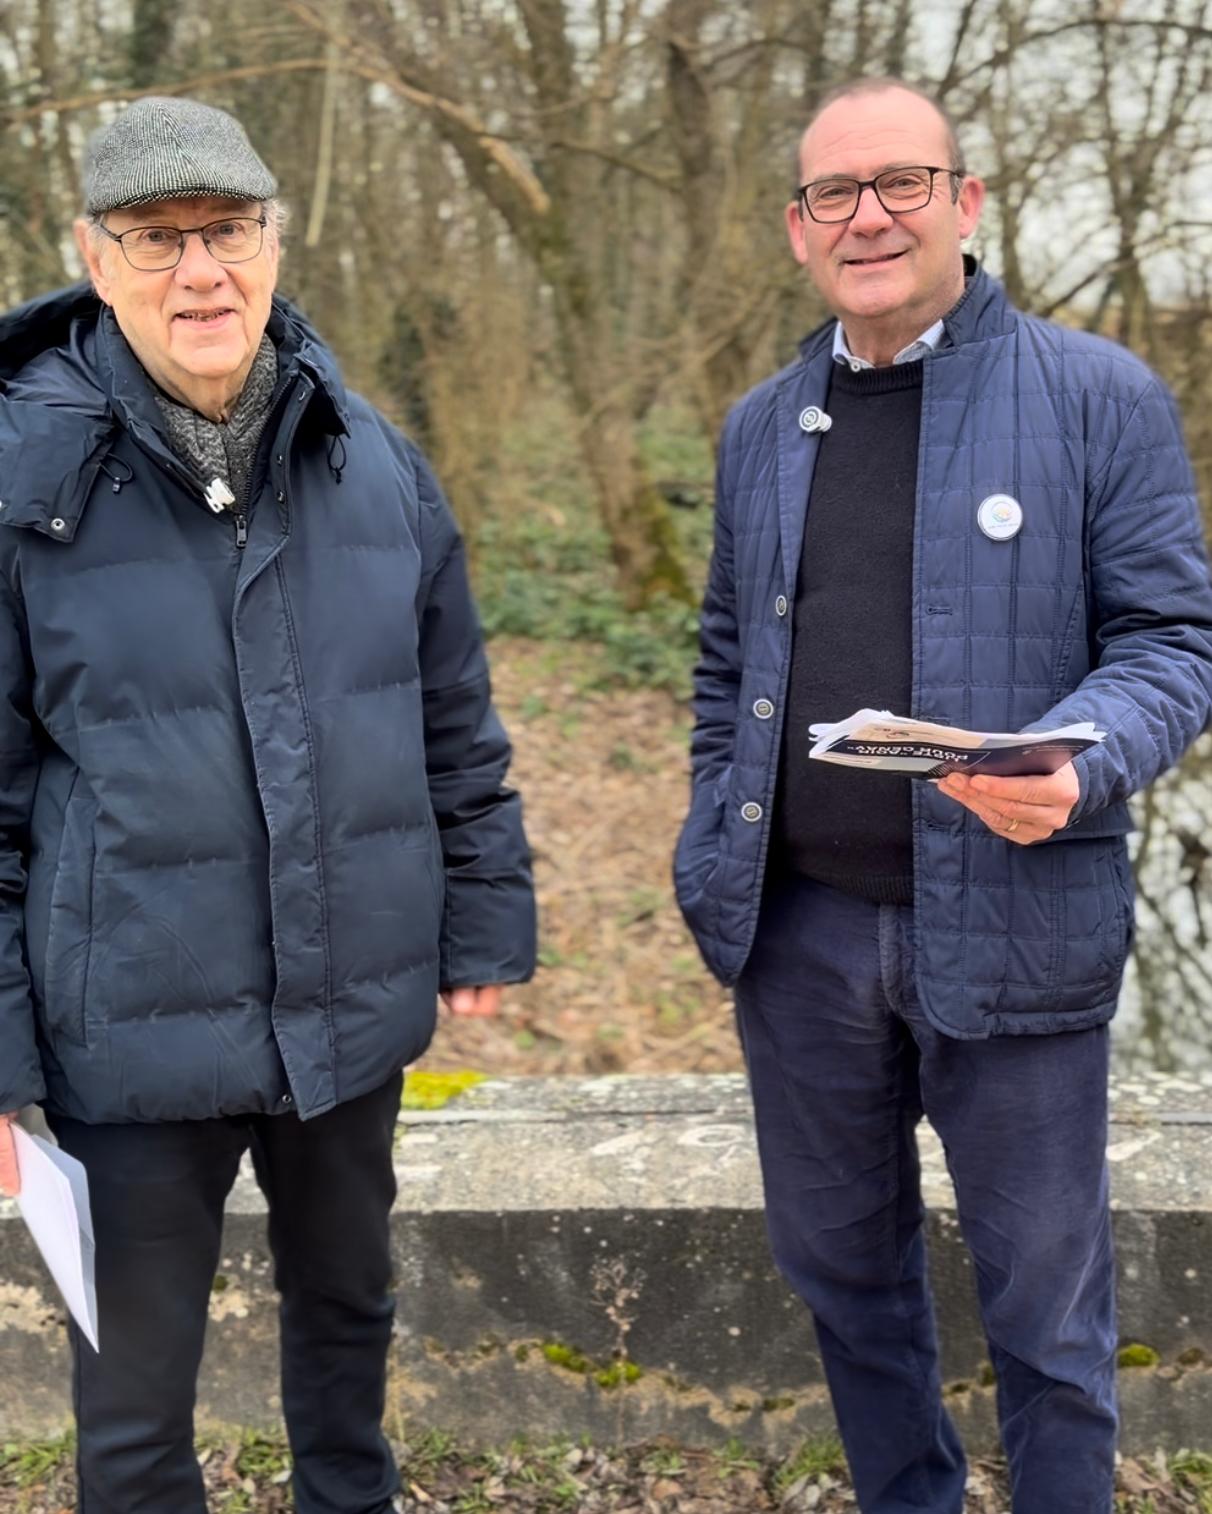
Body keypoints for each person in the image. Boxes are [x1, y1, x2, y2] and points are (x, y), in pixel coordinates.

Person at [674, 76, 1212, 1514]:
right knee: (847, 1283)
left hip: (1019, 922)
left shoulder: (1099, 396)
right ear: (798, 228)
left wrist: (1084, 755)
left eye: (900, 182)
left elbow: (1173, 643)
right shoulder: (760, 427)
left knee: (1047, 1316)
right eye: (834, 194)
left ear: (965, 201)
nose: (869, 217)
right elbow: (730, 657)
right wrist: (710, 837)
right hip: (800, 940)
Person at [0, 96, 535, 1514]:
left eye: (228, 231)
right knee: (131, 1412)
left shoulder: (378, 464)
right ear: (93, 257)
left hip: (343, 1017)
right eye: (157, 239)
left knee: (348, 1345)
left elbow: (453, 725)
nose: (201, 272)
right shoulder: (17, 482)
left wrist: (482, 922)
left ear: (275, 242)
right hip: (121, 1039)